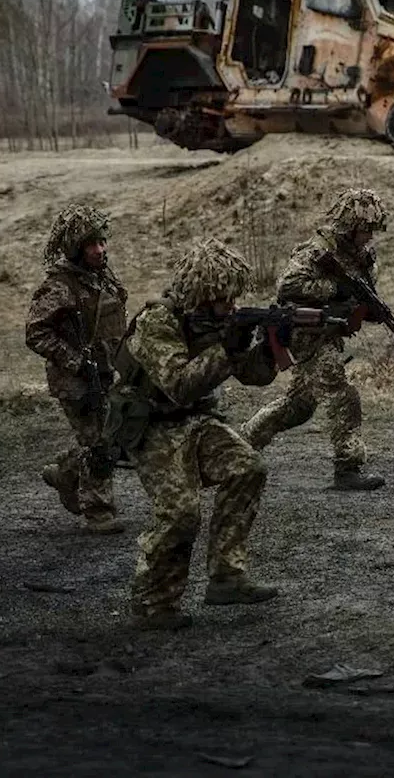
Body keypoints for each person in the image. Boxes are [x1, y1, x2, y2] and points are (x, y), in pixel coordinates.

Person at [112, 238, 279, 631]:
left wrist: (272, 348)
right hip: (152, 425)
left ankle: (227, 576)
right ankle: (154, 603)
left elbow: (255, 376)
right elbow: (178, 385)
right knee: (181, 513)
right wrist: (227, 347)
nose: (232, 306)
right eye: (224, 299)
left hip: (196, 420)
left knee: (247, 467)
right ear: (203, 296)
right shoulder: (158, 322)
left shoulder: (220, 322)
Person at [241, 188, 387, 491]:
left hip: (329, 333)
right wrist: (334, 290)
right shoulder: (319, 250)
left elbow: (362, 296)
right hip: (305, 332)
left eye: (373, 229)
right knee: (342, 394)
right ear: (350, 225)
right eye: (365, 229)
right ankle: (348, 467)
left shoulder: (360, 256)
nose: (369, 236)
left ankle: (241, 443)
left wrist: (366, 309)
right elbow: (288, 284)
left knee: (299, 406)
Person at [25, 203, 128, 534]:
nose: (99, 250)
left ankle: (66, 473)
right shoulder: (60, 286)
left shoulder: (102, 277)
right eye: (90, 245)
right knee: (99, 442)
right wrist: (75, 362)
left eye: (101, 242)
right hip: (76, 381)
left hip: (107, 372)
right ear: (75, 249)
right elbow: (35, 332)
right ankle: (98, 511)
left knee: (109, 437)